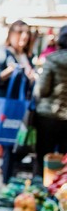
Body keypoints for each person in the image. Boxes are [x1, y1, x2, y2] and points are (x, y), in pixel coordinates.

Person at [0, 20, 36, 184]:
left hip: (23, 106)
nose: (23, 38)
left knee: (21, 144)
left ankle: (4, 172)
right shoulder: (3, 52)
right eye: (20, 34)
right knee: (10, 146)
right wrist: (10, 71)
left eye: (26, 35)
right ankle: (5, 180)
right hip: (9, 107)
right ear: (12, 34)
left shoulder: (26, 55)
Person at [32, 24, 67, 177]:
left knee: (43, 157)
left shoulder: (52, 59)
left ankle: (41, 190)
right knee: (64, 162)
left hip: (48, 117)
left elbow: (42, 90)